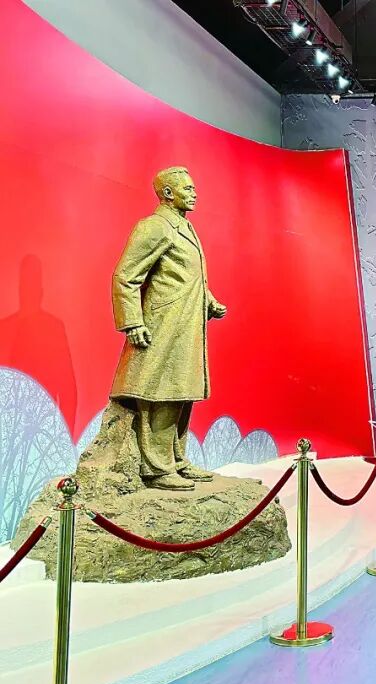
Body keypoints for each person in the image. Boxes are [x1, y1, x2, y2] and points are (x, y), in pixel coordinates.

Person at [110, 167, 227, 491]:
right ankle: (157, 468)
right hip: (163, 325)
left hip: (186, 323)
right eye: (187, 189)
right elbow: (125, 276)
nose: (194, 193)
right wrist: (133, 322)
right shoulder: (155, 227)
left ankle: (175, 459)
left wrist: (209, 301)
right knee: (162, 393)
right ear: (167, 193)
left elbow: (184, 276)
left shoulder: (183, 226)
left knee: (182, 392)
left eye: (194, 188)